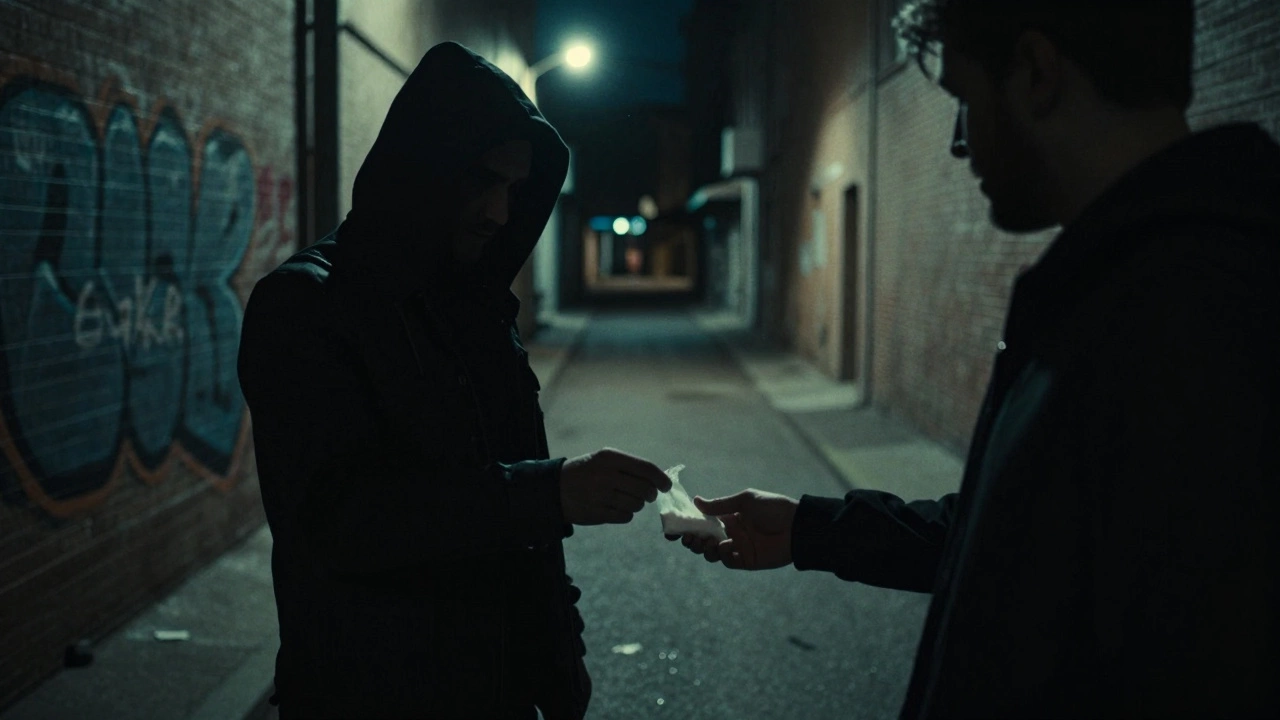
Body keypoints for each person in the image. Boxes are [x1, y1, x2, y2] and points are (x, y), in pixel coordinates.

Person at [674, 1, 1279, 716]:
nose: (959, 143)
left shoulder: (1193, 317)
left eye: (963, 98)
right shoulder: (1126, 284)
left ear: (1037, 73)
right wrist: (815, 530)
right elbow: (1029, 545)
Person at [237, 42, 671, 720]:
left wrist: (561, 660)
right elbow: (339, 521)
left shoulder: (475, 309)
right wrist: (551, 491)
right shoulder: (306, 306)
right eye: (481, 181)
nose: (499, 212)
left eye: (513, 191)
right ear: (422, 170)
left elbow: (521, 524)